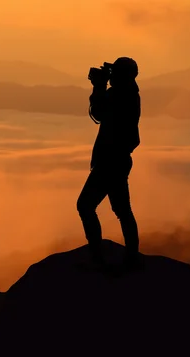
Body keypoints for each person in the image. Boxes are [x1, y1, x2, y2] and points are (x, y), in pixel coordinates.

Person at [77, 57, 141, 267]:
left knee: (85, 205)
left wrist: (98, 87)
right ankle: (131, 257)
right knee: (123, 210)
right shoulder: (130, 93)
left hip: (110, 161)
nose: (110, 76)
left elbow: (98, 113)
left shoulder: (120, 94)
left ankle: (97, 258)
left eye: (114, 72)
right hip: (119, 160)